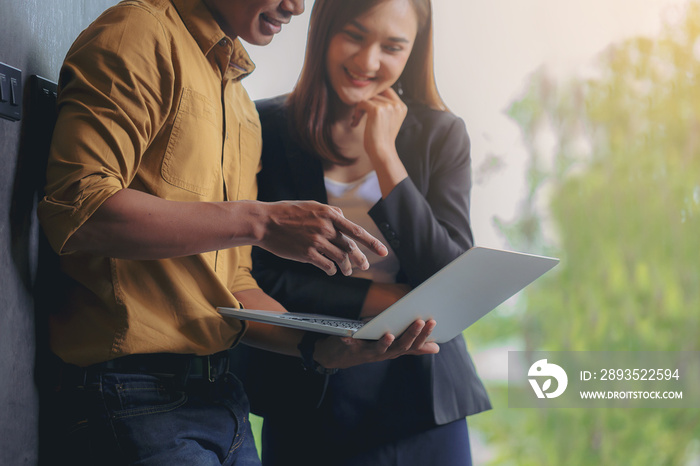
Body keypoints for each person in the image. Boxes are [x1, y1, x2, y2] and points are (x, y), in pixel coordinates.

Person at [36, 0, 440, 464]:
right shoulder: (138, 32)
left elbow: (235, 284)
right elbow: (79, 208)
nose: (296, 6)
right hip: (129, 395)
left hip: (224, 400)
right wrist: (260, 220)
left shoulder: (242, 109)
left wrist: (319, 348)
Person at [239, 0, 492, 464]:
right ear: (323, 31)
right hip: (309, 394)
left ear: (413, 52)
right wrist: (377, 301)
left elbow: (452, 276)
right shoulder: (264, 128)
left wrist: (385, 157)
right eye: (355, 36)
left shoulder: (440, 134)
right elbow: (255, 273)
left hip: (423, 399)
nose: (368, 62)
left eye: (393, 47)